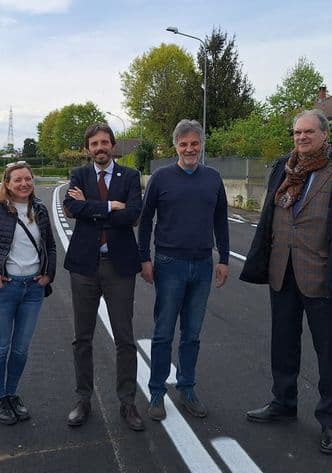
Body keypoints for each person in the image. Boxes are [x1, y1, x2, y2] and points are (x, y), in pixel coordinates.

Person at [240, 109, 332, 454]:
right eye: (297, 132)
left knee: (327, 352)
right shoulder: (284, 169)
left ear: (325, 135)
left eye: (308, 132)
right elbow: (272, 217)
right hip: (282, 272)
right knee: (283, 344)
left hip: (324, 278)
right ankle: (283, 403)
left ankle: (330, 420)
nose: (301, 138)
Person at [138, 119, 230, 421]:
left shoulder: (213, 179)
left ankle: (187, 389)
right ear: (175, 146)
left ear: (201, 145)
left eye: (194, 143)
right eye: (184, 144)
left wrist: (224, 260)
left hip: (203, 265)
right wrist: (145, 259)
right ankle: (156, 393)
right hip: (169, 265)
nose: (189, 149)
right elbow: (145, 219)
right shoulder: (161, 178)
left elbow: (220, 221)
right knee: (163, 333)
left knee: (192, 333)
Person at [63, 123, 145, 431]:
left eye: (105, 142)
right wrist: (111, 206)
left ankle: (127, 402)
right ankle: (83, 398)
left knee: (124, 337)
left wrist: (90, 208)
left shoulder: (131, 176)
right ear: (88, 148)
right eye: (94, 143)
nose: (100, 147)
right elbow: (71, 206)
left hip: (119, 266)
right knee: (82, 337)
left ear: (113, 145)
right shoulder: (79, 175)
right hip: (85, 266)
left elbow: (133, 215)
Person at [0, 161, 56, 425]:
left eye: (27, 179)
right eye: (17, 180)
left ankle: (12, 394)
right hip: (3, 290)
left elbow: (50, 246)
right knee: (0, 347)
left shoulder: (39, 209)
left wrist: (48, 275)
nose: (24, 184)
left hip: (32, 290)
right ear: (6, 183)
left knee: (20, 349)